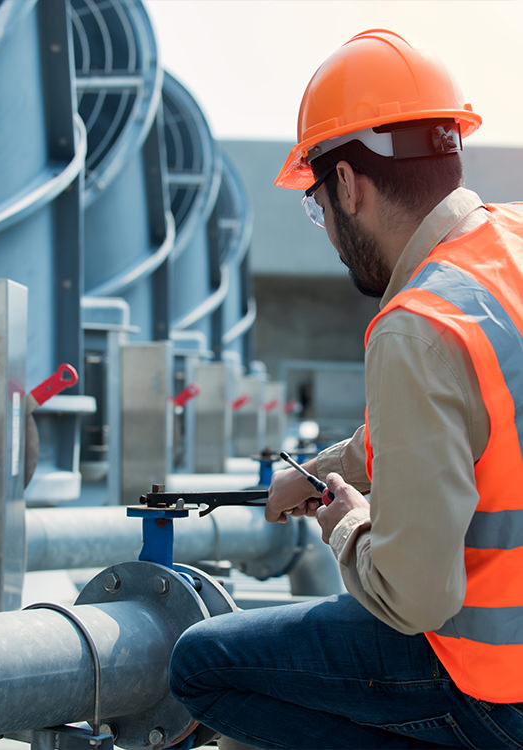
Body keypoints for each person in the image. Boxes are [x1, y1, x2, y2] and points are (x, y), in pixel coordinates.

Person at [169, 29, 523, 748]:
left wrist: (347, 525)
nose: (326, 228)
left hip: (489, 686)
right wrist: (326, 471)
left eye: (317, 204)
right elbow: (474, 415)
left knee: (202, 667)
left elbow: (415, 597)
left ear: (349, 187)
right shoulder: (508, 250)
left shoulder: (415, 326)